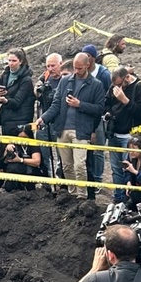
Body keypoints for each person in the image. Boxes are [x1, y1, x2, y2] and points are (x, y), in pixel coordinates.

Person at [37, 53, 105, 200]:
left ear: (87, 65)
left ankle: (83, 196)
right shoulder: (65, 81)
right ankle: (72, 193)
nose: (76, 71)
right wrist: (43, 118)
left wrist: (80, 105)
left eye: (79, 68)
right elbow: (56, 105)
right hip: (62, 129)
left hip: (82, 131)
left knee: (79, 165)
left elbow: (100, 109)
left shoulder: (96, 85)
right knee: (67, 165)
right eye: (75, 67)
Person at [104, 66, 141, 202]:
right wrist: (108, 113)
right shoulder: (114, 87)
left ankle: (128, 199)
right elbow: (106, 103)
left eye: (120, 84)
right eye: (115, 85)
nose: (118, 88)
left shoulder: (140, 87)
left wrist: (125, 100)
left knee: (128, 168)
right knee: (116, 169)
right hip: (114, 133)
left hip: (130, 135)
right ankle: (118, 198)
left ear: (127, 77)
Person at [0, 48, 35, 135]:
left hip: (21, 119)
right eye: (9, 60)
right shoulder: (5, 74)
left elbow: (17, 102)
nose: (11, 63)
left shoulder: (26, 80)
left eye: (14, 61)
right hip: (6, 118)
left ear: (20, 61)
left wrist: (5, 100)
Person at [1, 124, 43, 191]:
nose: (22, 140)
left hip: (31, 172)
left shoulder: (33, 145)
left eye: (25, 137)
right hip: (16, 172)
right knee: (9, 187)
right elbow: (4, 161)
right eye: (20, 138)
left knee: (30, 188)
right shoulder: (14, 145)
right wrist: (7, 149)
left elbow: (37, 162)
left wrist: (20, 160)